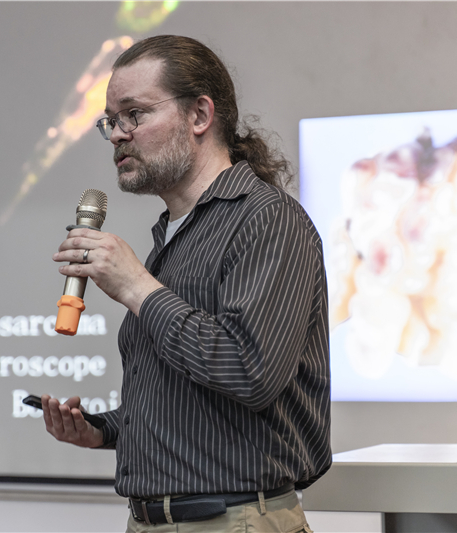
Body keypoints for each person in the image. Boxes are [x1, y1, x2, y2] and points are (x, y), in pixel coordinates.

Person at [42, 35, 331, 532]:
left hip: (234, 521)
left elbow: (250, 371)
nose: (117, 135)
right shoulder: (173, 236)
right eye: (111, 121)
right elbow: (190, 402)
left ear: (199, 115)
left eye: (134, 114)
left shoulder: (267, 219)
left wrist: (138, 287)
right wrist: (103, 429)